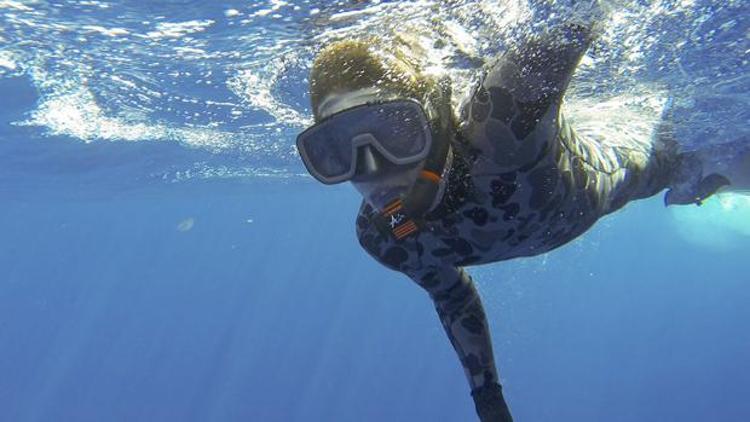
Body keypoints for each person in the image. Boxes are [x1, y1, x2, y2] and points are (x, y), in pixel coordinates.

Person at [294, 7, 748, 422]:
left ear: (434, 115)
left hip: (658, 158)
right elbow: (452, 297)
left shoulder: (502, 114)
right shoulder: (387, 238)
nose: (372, 169)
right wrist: (486, 394)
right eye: (335, 148)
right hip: (600, 198)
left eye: (394, 129)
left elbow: (582, 12)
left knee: (712, 163)